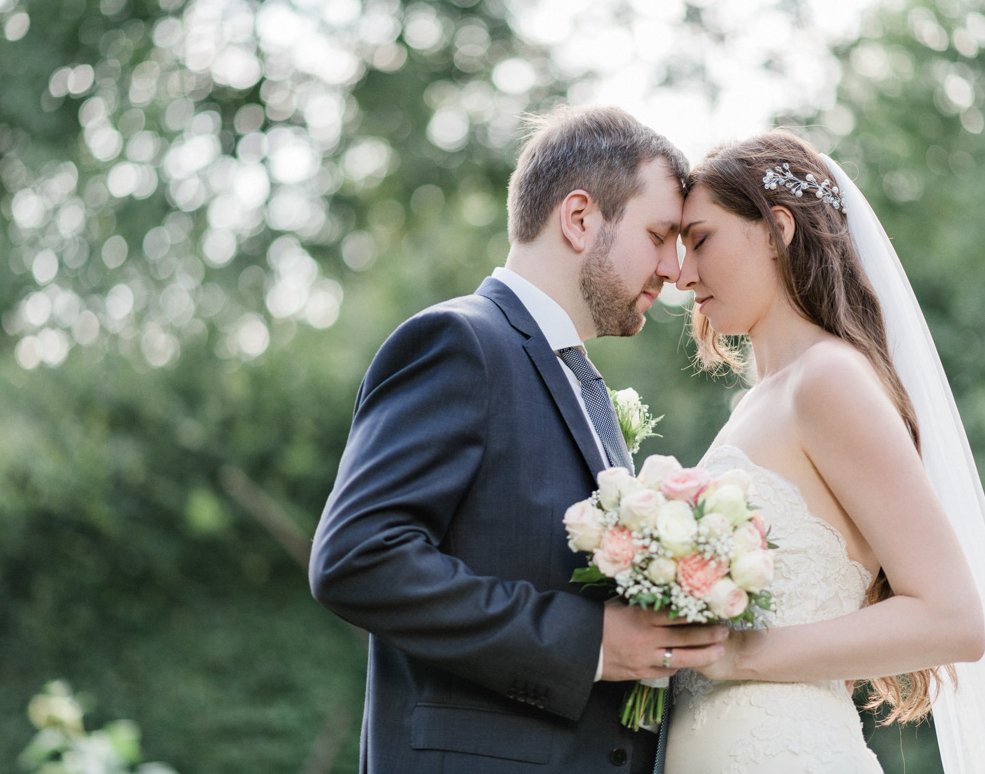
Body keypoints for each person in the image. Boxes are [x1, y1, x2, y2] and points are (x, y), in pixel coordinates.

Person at [310, 105, 729, 774]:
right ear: (580, 218)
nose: (673, 270)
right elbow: (359, 558)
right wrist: (587, 644)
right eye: (659, 234)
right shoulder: (461, 342)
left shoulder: (582, 381)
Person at [665, 130, 985, 773]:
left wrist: (739, 655)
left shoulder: (828, 380)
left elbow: (953, 618)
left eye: (700, 239)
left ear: (775, 230)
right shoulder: (758, 403)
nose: (682, 274)